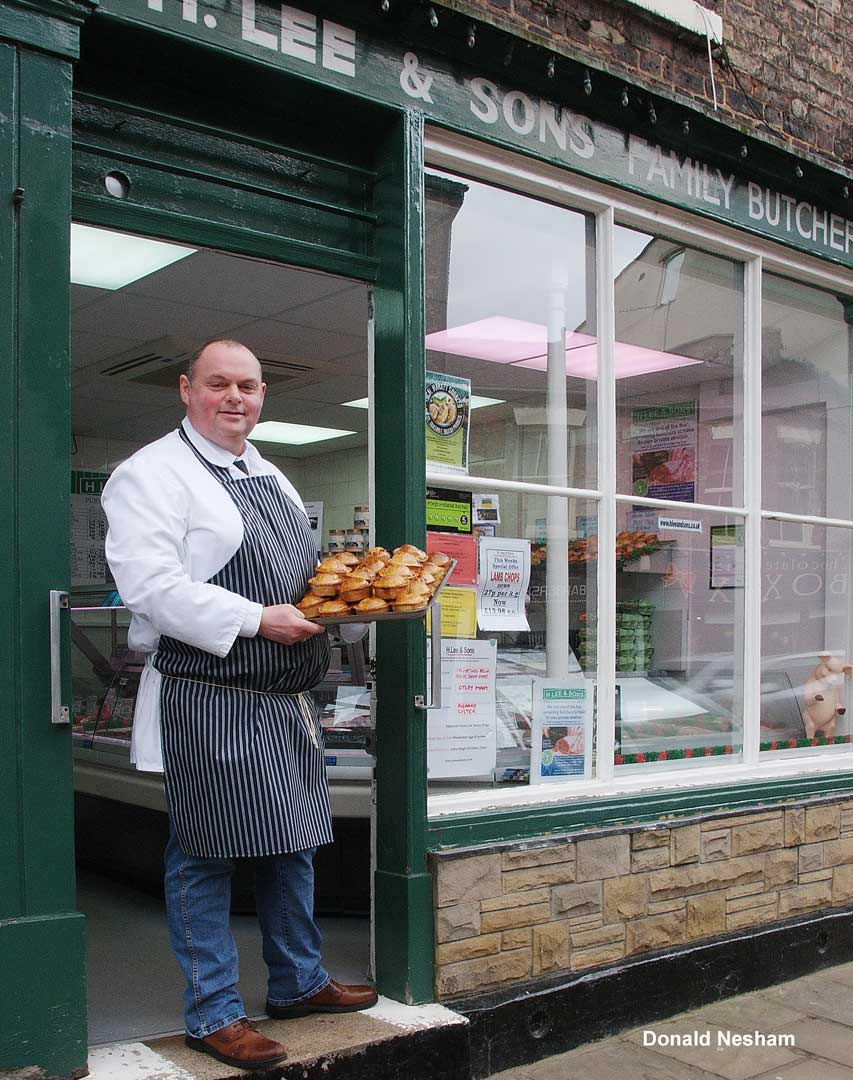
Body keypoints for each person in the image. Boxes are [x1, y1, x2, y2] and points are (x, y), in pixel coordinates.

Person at [101, 339, 377, 1070]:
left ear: (261, 397)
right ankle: (213, 1012)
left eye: (248, 387)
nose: (235, 398)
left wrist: (352, 602)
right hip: (208, 697)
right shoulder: (148, 475)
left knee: (293, 845)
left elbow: (304, 575)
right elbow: (150, 588)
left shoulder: (268, 473)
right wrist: (257, 619)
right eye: (218, 384)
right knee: (204, 855)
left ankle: (298, 981)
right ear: (186, 388)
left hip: (284, 699)